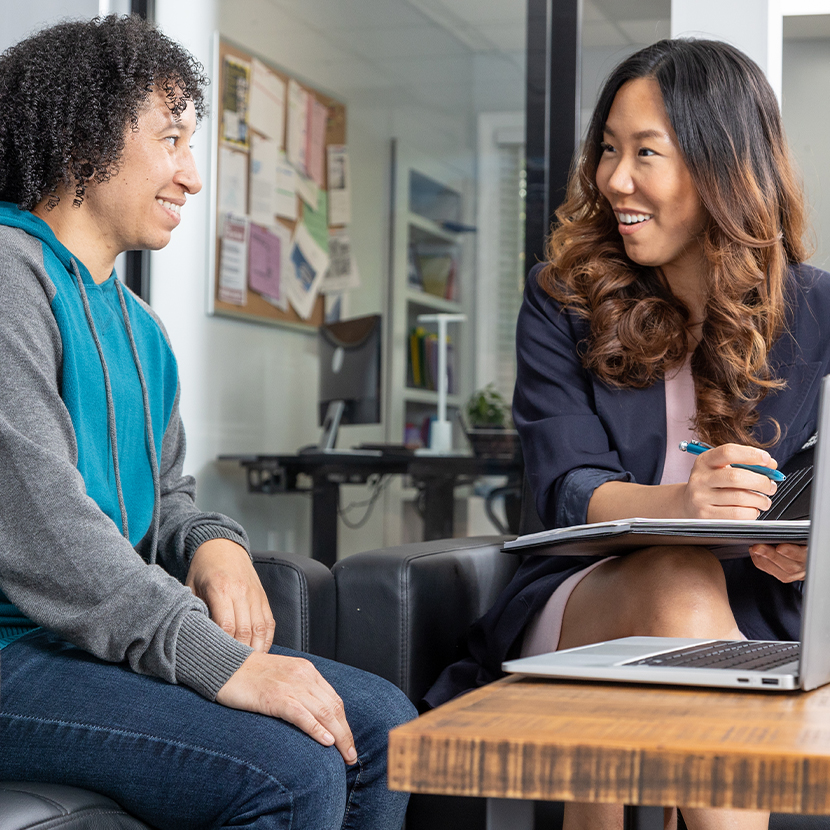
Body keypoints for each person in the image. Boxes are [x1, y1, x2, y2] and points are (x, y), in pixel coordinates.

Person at [0, 15, 415, 829]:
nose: (192, 177)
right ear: (87, 141)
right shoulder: (10, 284)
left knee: (386, 728)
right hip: (15, 653)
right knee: (293, 771)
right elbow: (41, 525)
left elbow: (170, 497)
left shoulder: (139, 327)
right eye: (173, 140)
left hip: (89, 644)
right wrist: (215, 662)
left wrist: (215, 544)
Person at [426, 38, 830, 830]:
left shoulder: (816, 308)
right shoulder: (563, 301)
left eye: (647, 152)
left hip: (755, 605)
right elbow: (566, 485)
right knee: (677, 577)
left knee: (692, 605)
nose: (614, 179)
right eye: (609, 150)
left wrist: (808, 547)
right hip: (584, 600)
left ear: (724, 164)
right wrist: (685, 500)